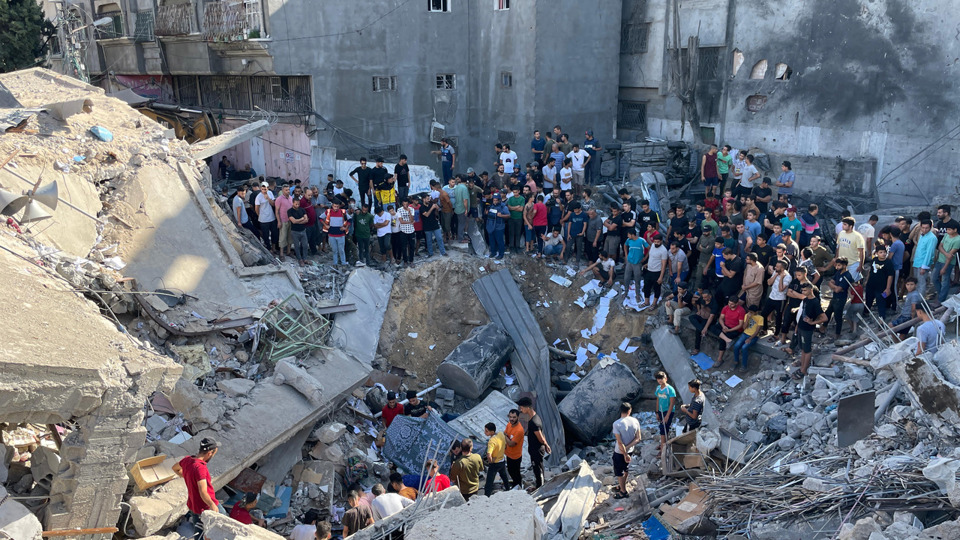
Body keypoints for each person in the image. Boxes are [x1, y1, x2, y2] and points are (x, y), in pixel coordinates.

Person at [173, 438, 222, 529]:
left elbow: (175, 468)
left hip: (193, 505)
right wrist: (212, 505)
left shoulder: (187, 460)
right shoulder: (200, 468)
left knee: (199, 530)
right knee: (223, 526)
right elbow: (203, 491)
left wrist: (187, 477)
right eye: (214, 453)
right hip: (205, 506)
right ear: (209, 453)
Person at [787, 283, 827, 378]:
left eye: (805, 290)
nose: (803, 292)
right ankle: (802, 368)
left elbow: (824, 318)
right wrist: (797, 327)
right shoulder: (805, 300)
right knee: (803, 349)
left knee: (807, 350)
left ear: (811, 290)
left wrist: (813, 323)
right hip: (801, 327)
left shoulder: (815, 302)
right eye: (802, 290)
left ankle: (803, 370)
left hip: (807, 329)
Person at [517, 396, 550, 489]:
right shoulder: (536, 417)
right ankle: (539, 485)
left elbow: (540, 438)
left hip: (537, 449)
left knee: (538, 469)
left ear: (527, 408)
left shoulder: (534, 422)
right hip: (535, 449)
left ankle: (540, 487)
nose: (521, 409)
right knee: (538, 467)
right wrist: (546, 444)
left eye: (522, 407)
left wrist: (546, 445)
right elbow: (542, 435)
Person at [610, 402, 641, 500]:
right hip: (630, 450)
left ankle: (623, 491)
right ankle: (622, 485)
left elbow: (620, 442)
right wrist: (628, 449)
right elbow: (638, 438)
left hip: (620, 452)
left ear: (621, 410)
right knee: (626, 468)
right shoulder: (635, 421)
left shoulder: (617, 424)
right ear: (629, 410)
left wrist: (624, 453)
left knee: (619, 471)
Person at [864, 245, 895, 320]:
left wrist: (888, 288)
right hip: (871, 286)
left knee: (881, 302)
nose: (883, 254)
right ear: (877, 253)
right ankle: (865, 314)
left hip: (882, 288)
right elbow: (870, 271)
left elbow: (890, 276)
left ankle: (882, 320)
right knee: (868, 300)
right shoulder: (874, 260)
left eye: (884, 252)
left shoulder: (888, 263)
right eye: (881, 252)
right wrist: (866, 281)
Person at [934, 220, 960, 303]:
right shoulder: (946, 235)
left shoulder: (958, 240)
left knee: (945, 281)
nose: (947, 231)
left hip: (948, 263)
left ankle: (941, 300)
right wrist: (946, 254)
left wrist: (944, 268)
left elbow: (951, 256)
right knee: (934, 278)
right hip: (940, 260)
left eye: (949, 229)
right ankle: (941, 294)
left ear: (955, 230)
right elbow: (940, 246)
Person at [716, 298, 746, 368]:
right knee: (713, 327)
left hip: (735, 329)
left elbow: (740, 325)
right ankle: (728, 340)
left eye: (732, 304)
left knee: (721, 340)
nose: (729, 305)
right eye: (729, 303)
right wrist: (723, 326)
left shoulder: (741, 311)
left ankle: (719, 359)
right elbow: (721, 318)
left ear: (736, 304)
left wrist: (729, 330)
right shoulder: (726, 308)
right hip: (725, 326)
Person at [482, 423, 510, 497]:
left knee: (489, 481)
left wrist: (491, 461)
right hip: (502, 460)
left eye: (487, 431)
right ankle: (508, 489)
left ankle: (486, 496)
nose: (485, 432)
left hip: (495, 464)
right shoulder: (501, 434)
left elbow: (488, 454)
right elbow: (505, 445)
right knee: (504, 477)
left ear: (492, 432)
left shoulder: (491, 441)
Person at [732, 305, 763, 370]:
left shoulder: (760, 318)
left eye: (752, 312)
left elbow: (757, 331)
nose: (750, 313)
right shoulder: (746, 315)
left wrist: (750, 338)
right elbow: (744, 327)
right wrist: (747, 319)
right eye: (750, 312)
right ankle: (735, 361)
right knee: (736, 346)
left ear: (756, 312)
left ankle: (744, 366)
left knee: (744, 347)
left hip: (753, 336)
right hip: (745, 333)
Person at [914, 219, 938, 298]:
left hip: (923, 263)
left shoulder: (932, 238)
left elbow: (929, 253)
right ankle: (916, 300)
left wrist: (924, 266)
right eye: (923, 228)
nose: (924, 230)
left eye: (926, 228)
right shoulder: (922, 234)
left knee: (922, 283)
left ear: (930, 227)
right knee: (917, 283)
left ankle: (920, 302)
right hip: (917, 261)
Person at [503, 409, 525, 489]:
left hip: (516, 456)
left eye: (514, 417)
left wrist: (505, 437)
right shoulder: (509, 424)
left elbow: (511, 444)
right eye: (510, 417)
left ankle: (518, 487)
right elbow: (505, 433)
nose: (511, 419)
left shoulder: (519, 430)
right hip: (509, 454)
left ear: (518, 417)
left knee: (516, 474)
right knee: (510, 471)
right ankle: (515, 485)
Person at [654, 372, 676, 451]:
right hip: (661, 411)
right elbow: (657, 400)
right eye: (658, 379)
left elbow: (672, 403)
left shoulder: (670, 389)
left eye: (661, 378)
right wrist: (657, 412)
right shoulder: (658, 388)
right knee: (663, 428)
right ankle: (664, 444)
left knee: (663, 429)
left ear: (665, 379)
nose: (660, 380)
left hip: (668, 411)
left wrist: (667, 416)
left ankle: (663, 450)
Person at [255, 181, 279, 252]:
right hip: (263, 219)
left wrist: (268, 198)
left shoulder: (270, 193)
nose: (264, 190)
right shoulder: (258, 197)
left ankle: (274, 247)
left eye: (265, 189)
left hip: (271, 217)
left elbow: (273, 204)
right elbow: (256, 208)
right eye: (262, 189)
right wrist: (260, 215)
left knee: (274, 233)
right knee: (266, 235)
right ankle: (269, 249)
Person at [324, 200, 349, 266]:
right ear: (332, 206)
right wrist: (325, 225)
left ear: (339, 206)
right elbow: (320, 218)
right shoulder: (328, 212)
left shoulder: (343, 212)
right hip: (332, 235)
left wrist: (345, 228)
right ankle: (335, 264)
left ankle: (343, 263)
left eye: (337, 207)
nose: (336, 208)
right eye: (335, 206)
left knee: (341, 250)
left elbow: (349, 220)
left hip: (341, 235)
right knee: (334, 250)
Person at [486, 192, 510, 259]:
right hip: (491, 226)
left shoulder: (503, 207)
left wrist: (501, 215)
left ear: (499, 200)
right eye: (494, 200)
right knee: (492, 240)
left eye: (496, 200)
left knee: (500, 241)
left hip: (499, 227)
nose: (495, 201)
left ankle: (501, 254)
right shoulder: (491, 206)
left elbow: (508, 215)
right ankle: (493, 252)